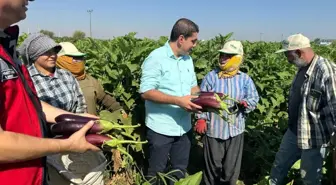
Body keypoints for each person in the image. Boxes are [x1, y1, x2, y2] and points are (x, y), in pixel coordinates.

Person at [0, 0, 100, 185]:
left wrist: (77, 118)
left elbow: (29, 105)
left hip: (30, 173)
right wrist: (65, 145)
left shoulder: (7, 48)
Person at [18, 34, 107, 185]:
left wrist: (83, 126)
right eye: (46, 52)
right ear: (34, 55)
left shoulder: (66, 75)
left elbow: (79, 105)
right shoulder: (26, 78)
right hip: (44, 143)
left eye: (54, 51)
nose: (53, 56)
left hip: (74, 137)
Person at [139, 18, 202, 184]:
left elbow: (193, 87)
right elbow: (146, 91)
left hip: (184, 128)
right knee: (155, 173)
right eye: (193, 41)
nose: (195, 45)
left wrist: (203, 100)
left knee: (179, 171)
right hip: (161, 128)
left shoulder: (188, 59)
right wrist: (178, 101)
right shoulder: (156, 58)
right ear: (181, 39)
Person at [270, 33, 336, 185]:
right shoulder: (303, 67)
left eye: (289, 55)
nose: (288, 60)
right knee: (279, 166)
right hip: (294, 131)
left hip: (314, 137)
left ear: (299, 52)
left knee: (309, 177)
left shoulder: (326, 70)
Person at [194, 40, 259, 185]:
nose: (223, 58)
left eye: (228, 56)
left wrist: (246, 103)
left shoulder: (244, 79)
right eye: (222, 55)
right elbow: (201, 99)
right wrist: (201, 119)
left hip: (235, 129)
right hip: (214, 129)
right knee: (212, 167)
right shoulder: (212, 77)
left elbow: (254, 98)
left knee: (231, 169)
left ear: (237, 58)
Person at [56, 41, 126, 116]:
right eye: (74, 58)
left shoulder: (90, 80)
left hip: (92, 125)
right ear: (61, 60)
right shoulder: (53, 82)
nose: (78, 61)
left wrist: (119, 110)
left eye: (80, 58)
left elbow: (104, 98)